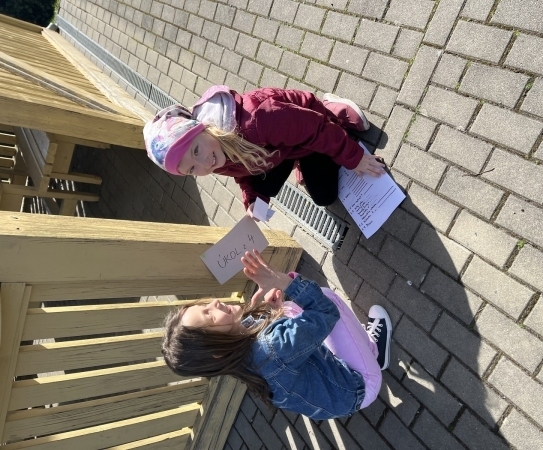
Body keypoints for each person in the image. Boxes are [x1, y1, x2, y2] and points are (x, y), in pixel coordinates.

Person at [161, 249, 392, 420]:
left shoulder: (238, 357)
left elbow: (278, 349)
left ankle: (362, 351)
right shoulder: (272, 348)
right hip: (358, 385)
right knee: (326, 296)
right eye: (210, 317)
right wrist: (284, 281)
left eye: (205, 306)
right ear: (216, 351)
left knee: (289, 309)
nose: (215, 304)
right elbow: (326, 311)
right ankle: (374, 352)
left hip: (335, 395)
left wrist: (275, 311)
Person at [143, 86, 385, 217]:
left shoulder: (259, 120)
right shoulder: (213, 151)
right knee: (269, 189)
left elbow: (316, 129)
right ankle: (299, 155)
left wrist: (355, 158)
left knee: (324, 196)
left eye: (196, 151)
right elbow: (241, 172)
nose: (204, 164)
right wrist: (252, 200)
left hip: (310, 120)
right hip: (281, 146)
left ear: (201, 129)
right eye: (192, 169)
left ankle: (332, 109)